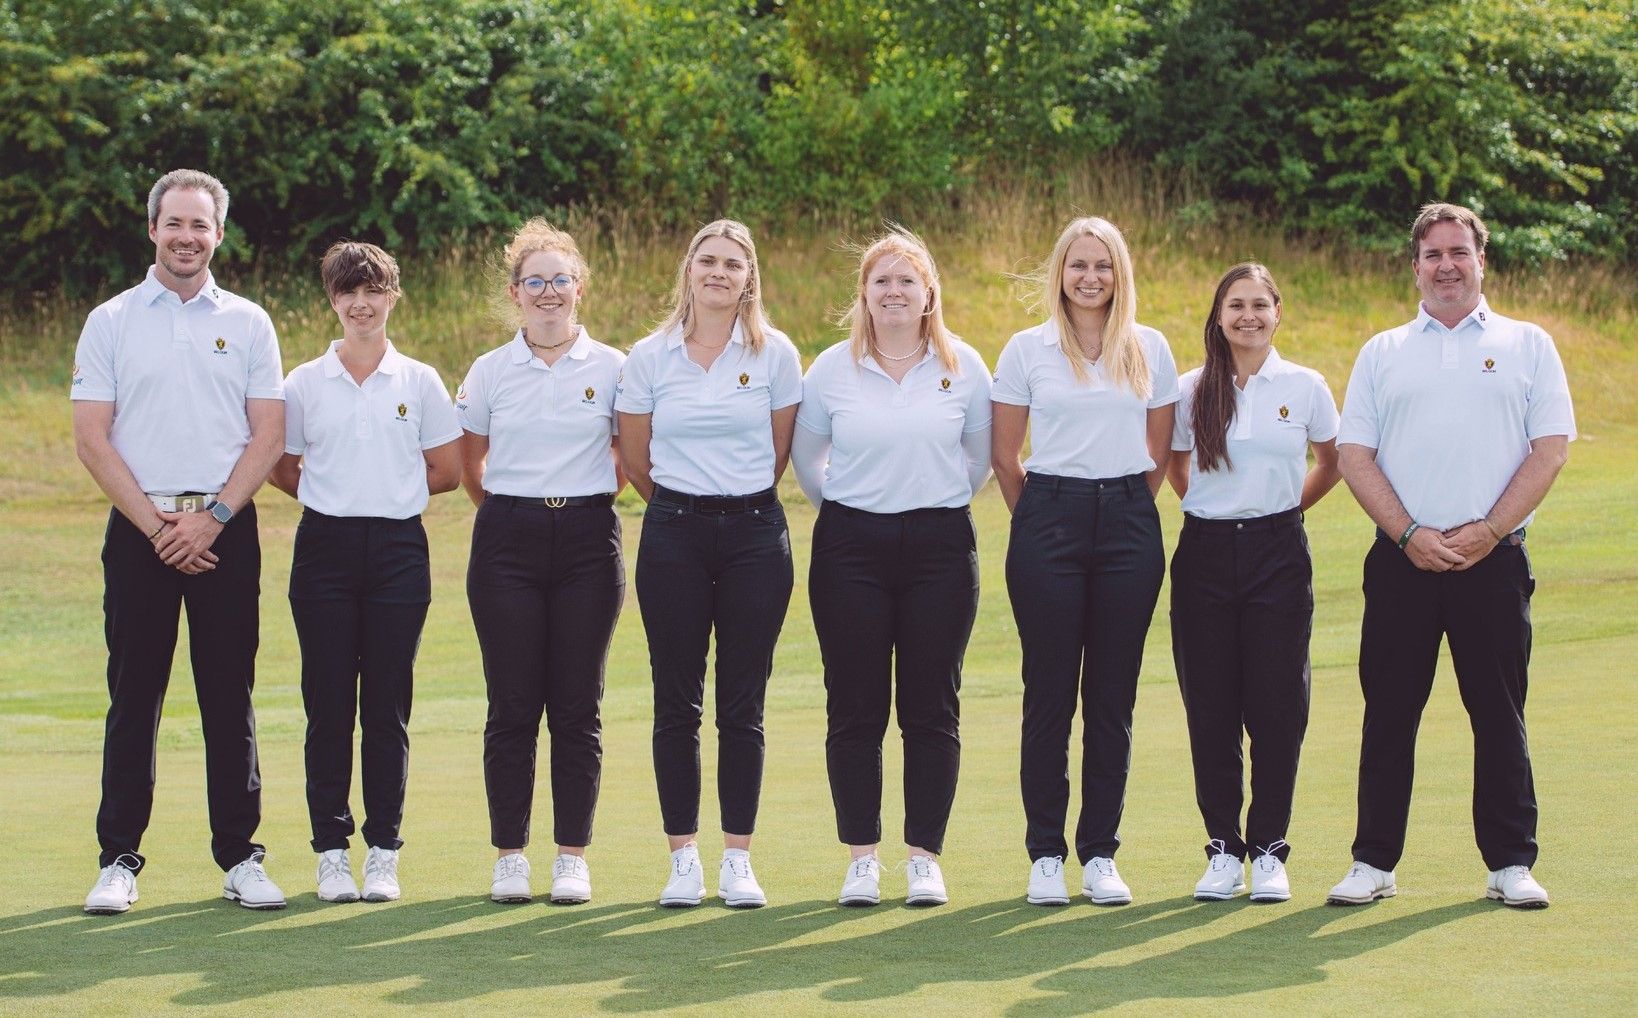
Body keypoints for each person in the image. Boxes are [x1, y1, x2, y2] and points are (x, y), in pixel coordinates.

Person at [1328, 203, 1574, 909]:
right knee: (1390, 714)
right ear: (1415, 267)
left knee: (1499, 713)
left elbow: (1550, 450)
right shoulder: (1383, 352)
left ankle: (1510, 863)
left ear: (1481, 260)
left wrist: (1489, 530)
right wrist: (1410, 533)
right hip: (1401, 559)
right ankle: (1373, 862)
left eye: (1459, 252)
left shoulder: (1528, 344)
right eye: (1433, 254)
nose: (1446, 265)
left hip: (1493, 561)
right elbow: (1354, 455)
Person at [74, 169, 287, 913]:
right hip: (141, 531)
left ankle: (240, 857)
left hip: (225, 528)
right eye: (175, 223)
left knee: (229, 695)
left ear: (218, 234)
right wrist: (158, 527)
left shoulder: (250, 322)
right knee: (135, 696)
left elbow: (268, 435)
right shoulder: (111, 320)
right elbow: (92, 439)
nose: (186, 237)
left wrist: (213, 516)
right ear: (153, 229)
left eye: (200, 225)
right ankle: (118, 859)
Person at [791, 228, 992, 908]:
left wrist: (926, 501)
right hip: (850, 547)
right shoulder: (831, 370)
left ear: (929, 292)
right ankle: (862, 859)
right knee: (855, 706)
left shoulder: (965, 365)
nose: (895, 291)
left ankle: (924, 858)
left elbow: (977, 459)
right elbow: (809, 461)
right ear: (865, 294)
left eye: (908, 280)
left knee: (931, 706)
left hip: (940, 547)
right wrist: (857, 508)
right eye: (882, 281)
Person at [991, 215, 1178, 907]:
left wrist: (1118, 508)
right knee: (1048, 695)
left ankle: (1100, 852)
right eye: (1078, 265)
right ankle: (1046, 854)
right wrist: (1047, 516)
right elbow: (1005, 457)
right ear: (1060, 273)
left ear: (1119, 272)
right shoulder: (1027, 349)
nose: (1090, 277)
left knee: (1111, 697)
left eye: (1103, 265)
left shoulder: (1149, 346)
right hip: (1048, 519)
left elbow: (1158, 455)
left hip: (1128, 521)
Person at [616, 219, 802, 909]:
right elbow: (636, 457)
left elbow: (778, 453)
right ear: (688, 270)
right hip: (673, 534)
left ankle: (737, 860)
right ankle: (683, 860)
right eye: (708, 260)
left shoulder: (775, 354)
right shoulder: (649, 356)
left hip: (755, 535)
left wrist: (733, 502)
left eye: (733, 263)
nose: (719, 272)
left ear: (749, 278)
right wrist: (684, 508)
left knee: (742, 705)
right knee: (677, 701)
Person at [268, 242, 462, 904]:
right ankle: (331, 852)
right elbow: (283, 466)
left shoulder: (420, 381)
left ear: (392, 296)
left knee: (386, 707)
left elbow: (447, 471)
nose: (361, 303)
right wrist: (338, 497)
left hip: (399, 551)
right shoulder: (302, 383)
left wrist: (384, 495)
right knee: (327, 707)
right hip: (323, 549)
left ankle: (383, 851)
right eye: (348, 291)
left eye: (373, 290)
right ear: (332, 299)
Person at [458, 220, 627, 906]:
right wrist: (517, 510)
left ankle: (571, 857)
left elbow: (625, 453)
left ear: (579, 287)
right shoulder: (489, 370)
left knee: (578, 706)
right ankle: (510, 856)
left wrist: (576, 501)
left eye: (561, 279)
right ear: (516, 292)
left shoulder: (613, 367)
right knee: (512, 705)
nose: (549, 291)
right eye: (536, 281)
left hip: (589, 539)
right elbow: (470, 464)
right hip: (507, 540)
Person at [1166, 263, 1341, 904]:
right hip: (1205, 554)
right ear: (1219, 316)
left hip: (1278, 554)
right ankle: (1223, 848)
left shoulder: (1306, 385)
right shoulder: (1189, 389)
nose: (1248, 316)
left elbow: (1332, 462)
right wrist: (1217, 509)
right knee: (1210, 706)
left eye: (1259, 304)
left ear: (1278, 312)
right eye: (1236, 305)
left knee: (1278, 707)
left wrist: (1282, 510)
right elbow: (1176, 465)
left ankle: (1268, 848)